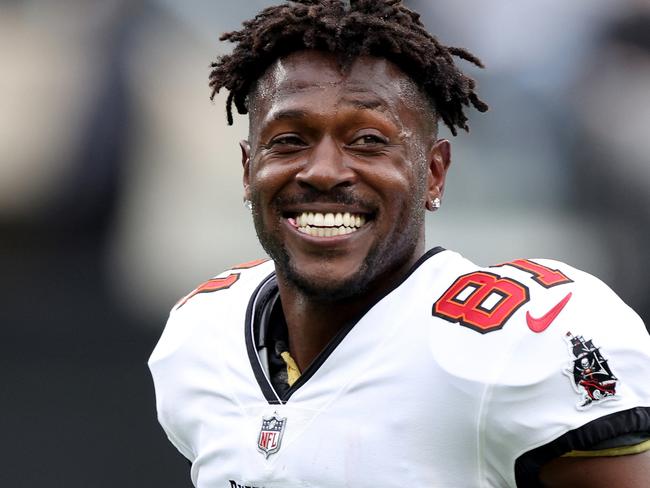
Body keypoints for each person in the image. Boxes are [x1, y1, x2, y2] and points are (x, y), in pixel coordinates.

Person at [148, 1, 650, 486]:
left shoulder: (516, 341)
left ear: (433, 173)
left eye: (368, 140)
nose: (323, 171)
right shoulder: (200, 337)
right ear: (247, 168)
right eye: (288, 140)